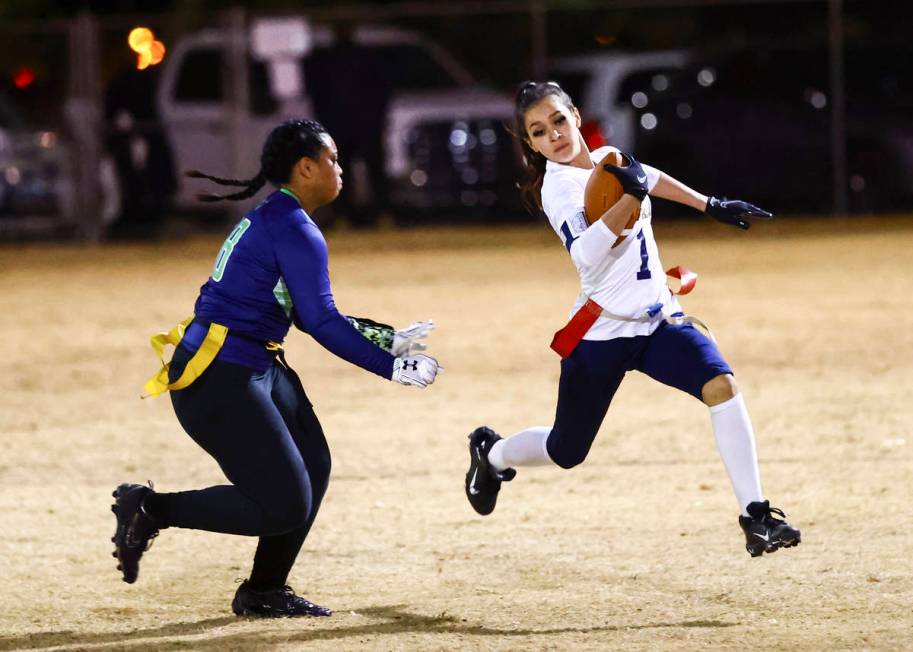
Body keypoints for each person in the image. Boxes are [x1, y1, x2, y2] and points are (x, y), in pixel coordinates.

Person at [110, 118, 442, 617]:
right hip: (220, 375)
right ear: (306, 168)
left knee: (313, 466)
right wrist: (388, 367)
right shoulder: (294, 228)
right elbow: (321, 320)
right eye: (331, 159)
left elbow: (308, 314)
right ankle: (150, 508)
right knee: (284, 502)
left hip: (249, 362)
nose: (340, 167)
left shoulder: (282, 218)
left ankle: (264, 592)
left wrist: (386, 338)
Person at [464, 81, 800, 558]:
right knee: (567, 450)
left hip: (658, 322)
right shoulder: (558, 190)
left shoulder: (610, 160)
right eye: (539, 132)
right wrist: (628, 197)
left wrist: (710, 204)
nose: (554, 135)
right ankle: (491, 455)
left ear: (576, 116)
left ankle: (757, 516)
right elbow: (587, 255)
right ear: (532, 145)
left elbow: (650, 176)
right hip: (602, 333)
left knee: (720, 386)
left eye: (558, 120)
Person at [303, 23, 392, 228]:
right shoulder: (329, 60)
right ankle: (347, 216)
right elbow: (319, 95)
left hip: (360, 125)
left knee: (372, 170)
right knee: (345, 173)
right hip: (346, 125)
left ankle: (381, 214)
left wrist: (379, 120)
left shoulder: (356, 59)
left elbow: (381, 93)